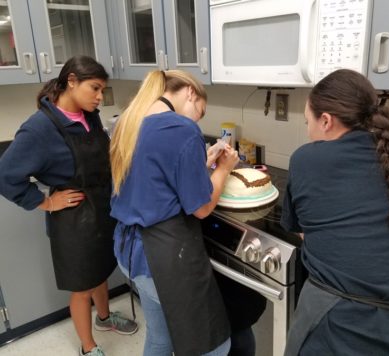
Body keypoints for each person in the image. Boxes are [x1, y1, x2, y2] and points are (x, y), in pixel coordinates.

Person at [281, 69, 389, 356]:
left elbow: (306, 231)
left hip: (336, 331)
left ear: (326, 121)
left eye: (308, 123)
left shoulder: (307, 160)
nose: (309, 132)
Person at [0, 55, 138, 356]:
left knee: (100, 270)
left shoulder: (90, 115)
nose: (100, 97)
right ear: (72, 81)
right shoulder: (39, 128)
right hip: (74, 221)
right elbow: (5, 176)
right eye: (95, 88)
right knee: (82, 285)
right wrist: (45, 201)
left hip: (102, 209)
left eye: (103, 90)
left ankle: (104, 318)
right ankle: (88, 348)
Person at [109, 69, 239, 356]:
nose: (196, 120)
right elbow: (202, 208)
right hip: (164, 260)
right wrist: (225, 170)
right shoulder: (181, 129)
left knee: (161, 336)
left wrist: (198, 164)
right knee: (215, 347)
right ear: (190, 92)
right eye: (200, 112)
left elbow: (151, 177)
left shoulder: (127, 122)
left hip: (130, 252)